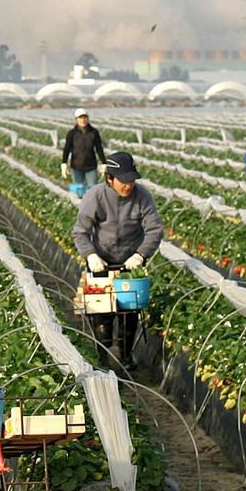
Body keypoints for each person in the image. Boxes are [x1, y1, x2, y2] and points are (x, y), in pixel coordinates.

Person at [71, 151, 163, 364]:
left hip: (129, 262)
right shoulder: (95, 196)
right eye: (123, 181)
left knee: (129, 311)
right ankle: (101, 357)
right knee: (101, 312)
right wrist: (91, 255)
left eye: (131, 180)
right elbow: (80, 232)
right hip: (101, 260)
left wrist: (140, 255)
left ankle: (126, 355)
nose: (128, 185)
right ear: (109, 178)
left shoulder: (142, 196)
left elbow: (155, 230)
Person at [60, 107, 106, 192]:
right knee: (79, 190)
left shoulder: (94, 132)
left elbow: (99, 148)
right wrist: (64, 163)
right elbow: (66, 149)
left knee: (93, 190)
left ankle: (92, 205)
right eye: (80, 118)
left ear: (88, 119)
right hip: (76, 166)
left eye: (85, 117)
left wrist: (104, 163)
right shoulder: (72, 133)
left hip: (91, 166)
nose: (83, 120)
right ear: (76, 120)